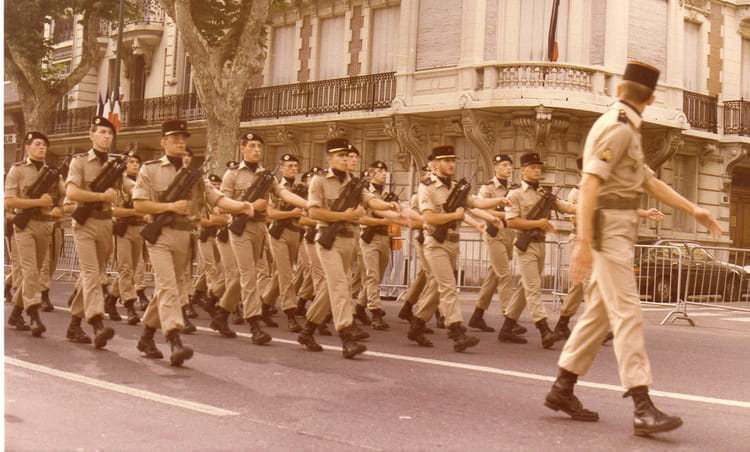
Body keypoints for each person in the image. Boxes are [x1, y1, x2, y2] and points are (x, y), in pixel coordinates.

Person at [544, 61, 722, 436]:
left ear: (618, 91)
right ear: (651, 99)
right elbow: (589, 184)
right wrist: (583, 242)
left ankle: (563, 387)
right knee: (628, 314)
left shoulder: (624, 126)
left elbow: (648, 182)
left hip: (615, 228)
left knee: (600, 314)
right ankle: (642, 406)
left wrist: (694, 209)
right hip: (609, 230)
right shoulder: (619, 128)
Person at [132, 119, 255, 366]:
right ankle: (174, 340)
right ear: (163, 142)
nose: (180, 142)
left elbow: (216, 198)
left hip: (184, 235)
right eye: (175, 138)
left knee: (167, 288)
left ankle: (146, 336)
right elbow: (139, 204)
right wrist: (169, 207)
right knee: (169, 287)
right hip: (159, 235)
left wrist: (241, 206)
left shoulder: (195, 174)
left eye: (183, 139)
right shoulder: (150, 169)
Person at [297, 137, 400, 358]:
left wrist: (392, 207)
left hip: (348, 242)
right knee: (340, 286)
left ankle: (307, 331)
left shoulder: (354, 183)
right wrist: (343, 216)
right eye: (341, 156)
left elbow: (372, 201)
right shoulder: (319, 181)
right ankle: (347, 337)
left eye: (347, 156)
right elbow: (314, 212)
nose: (345, 159)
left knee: (330, 289)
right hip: (328, 240)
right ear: (329, 158)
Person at [407, 145, 509, 352]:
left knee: (437, 289)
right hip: (435, 243)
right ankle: (456, 332)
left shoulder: (455, 187)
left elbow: (474, 203)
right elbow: (428, 217)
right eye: (447, 161)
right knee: (448, 287)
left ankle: (417, 325)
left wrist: (497, 203)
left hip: (453, 243)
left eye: (453, 160)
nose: (451, 164)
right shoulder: (427, 187)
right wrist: (454, 216)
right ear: (436, 164)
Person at [218, 132, 308, 344]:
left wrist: (308, 204)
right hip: (239, 228)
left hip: (259, 227)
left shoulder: (267, 175)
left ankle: (221, 315)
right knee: (249, 275)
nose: (257, 150)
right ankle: (254, 324)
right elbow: (221, 204)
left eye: (259, 146)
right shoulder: (232, 174)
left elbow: (283, 193)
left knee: (243, 276)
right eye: (252, 146)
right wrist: (248, 206)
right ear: (242, 148)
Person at [498, 152, 576, 348]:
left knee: (525, 287)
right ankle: (544, 330)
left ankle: (507, 328)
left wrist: (590, 206)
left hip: (540, 244)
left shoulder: (543, 194)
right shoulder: (515, 193)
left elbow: (566, 207)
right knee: (533, 288)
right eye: (533, 167)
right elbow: (511, 221)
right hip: (525, 245)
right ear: (523, 170)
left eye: (539, 167)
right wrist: (538, 223)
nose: (537, 170)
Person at [65, 116, 120, 348]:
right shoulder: (79, 162)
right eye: (102, 132)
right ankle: (97, 322)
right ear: (91, 135)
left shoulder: (115, 164)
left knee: (96, 273)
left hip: (105, 223)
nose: (107, 136)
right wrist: (100, 196)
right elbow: (72, 192)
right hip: (85, 223)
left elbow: (129, 189)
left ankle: (74, 325)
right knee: (91, 273)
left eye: (110, 133)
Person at [5, 131, 65, 337]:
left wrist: (60, 208)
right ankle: (33, 313)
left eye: (44, 145)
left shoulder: (53, 172)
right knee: (30, 271)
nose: (42, 148)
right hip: (25, 226)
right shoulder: (18, 170)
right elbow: (9, 201)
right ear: (27, 147)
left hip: (45, 225)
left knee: (36, 272)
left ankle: (16, 313)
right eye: (37, 144)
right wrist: (38, 202)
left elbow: (66, 195)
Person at [467, 154, 517, 333]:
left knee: (494, 276)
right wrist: (507, 215)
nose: (508, 168)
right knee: (504, 275)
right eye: (504, 165)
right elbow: (481, 208)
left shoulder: (513, 188)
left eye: (509, 165)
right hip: (494, 235)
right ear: (495, 167)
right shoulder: (487, 188)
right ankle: (509, 318)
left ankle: (477, 315)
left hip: (508, 235)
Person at [265, 153, 305, 332]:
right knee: (287, 274)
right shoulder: (275, 188)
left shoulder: (299, 188)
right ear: (281, 168)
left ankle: (264, 305)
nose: (293, 169)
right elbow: (270, 214)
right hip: (279, 234)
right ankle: (290, 313)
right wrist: (290, 213)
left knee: (281, 274)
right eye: (289, 166)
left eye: (295, 166)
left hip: (294, 232)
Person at [107, 153, 148, 325]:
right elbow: (115, 211)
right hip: (123, 229)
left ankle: (110, 300)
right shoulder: (117, 183)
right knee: (125, 268)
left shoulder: (140, 183)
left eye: (137, 162)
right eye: (131, 162)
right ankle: (130, 306)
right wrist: (135, 211)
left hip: (138, 228)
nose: (135, 165)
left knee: (131, 269)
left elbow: (141, 198)